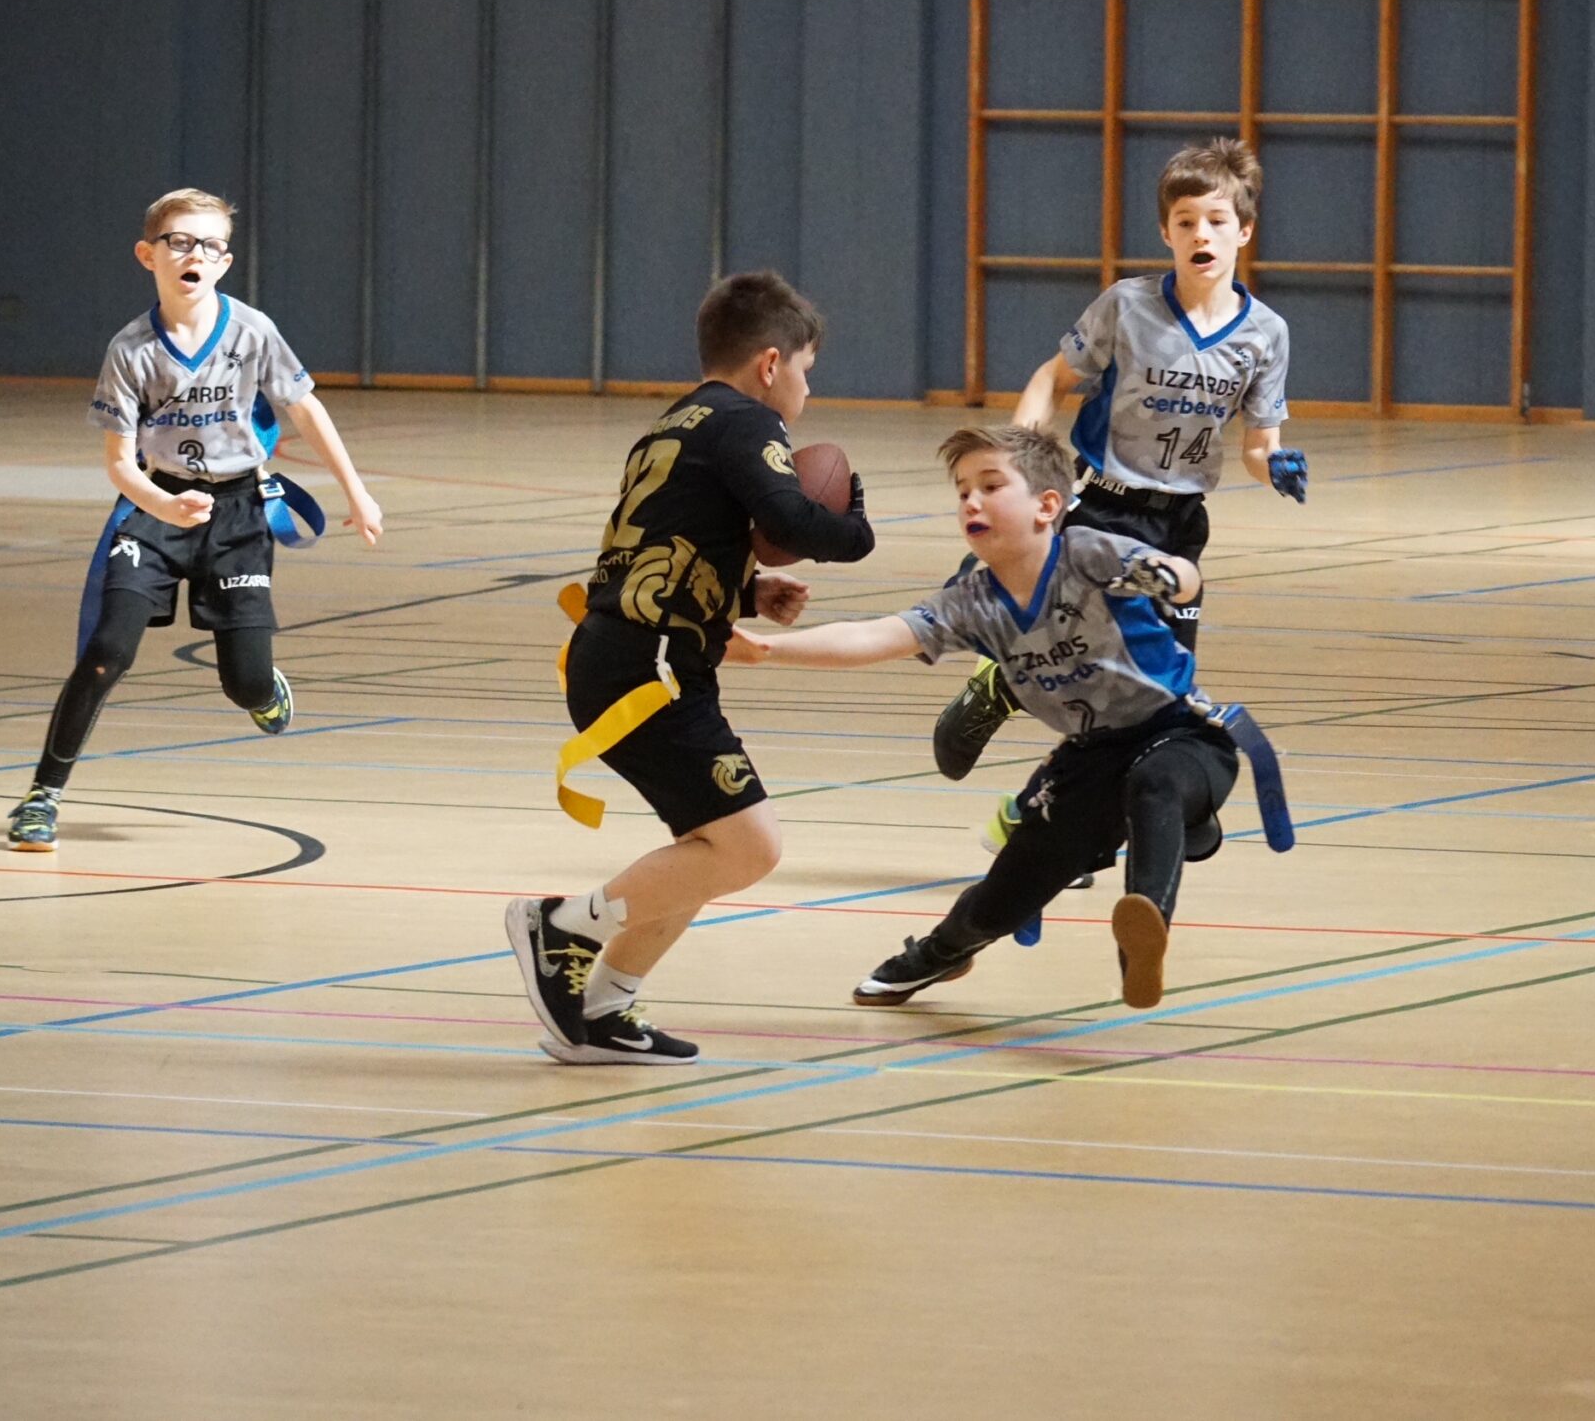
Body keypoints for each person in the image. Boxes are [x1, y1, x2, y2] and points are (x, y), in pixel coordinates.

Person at [729, 425, 1255, 1011]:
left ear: (1047, 506)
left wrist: (1176, 575)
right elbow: (876, 635)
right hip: (1088, 761)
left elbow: (1183, 576)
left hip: (1179, 732)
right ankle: (939, 952)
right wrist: (767, 648)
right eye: (961, 492)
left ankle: (1143, 934)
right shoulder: (969, 603)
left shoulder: (1087, 553)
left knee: (1156, 784)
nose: (971, 501)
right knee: (1004, 895)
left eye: (990, 485)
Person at [506, 271, 875, 1064]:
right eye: (807, 369)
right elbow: (790, 517)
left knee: (704, 849)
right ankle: (563, 924)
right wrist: (854, 524)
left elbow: (664, 543)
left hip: (631, 651)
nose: (807, 388)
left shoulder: (675, 422)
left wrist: (746, 588)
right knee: (751, 848)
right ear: (770, 363)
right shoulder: (750, 421)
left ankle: (605, 1008)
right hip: (651, 665)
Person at [932, 138, 1306, 888]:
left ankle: (1033, 796)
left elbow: (1259, 444)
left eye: (1216, 220)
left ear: (1244, 232)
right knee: (1111, 691)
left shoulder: (1265, 334)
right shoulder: (1127, 306)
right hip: (1103, 509)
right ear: (1166, 232)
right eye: (1185, 220)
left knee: (1155, 699)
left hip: (1180, 525)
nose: (1201, 234)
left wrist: (1276, 465)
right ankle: (1053, 799)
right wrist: (1020, 459)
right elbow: (1053, 376)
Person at [5, 188, 381, 853]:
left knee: (244, 681)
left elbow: (305, 410)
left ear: (225, 261)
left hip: (236, 513)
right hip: (154, 507)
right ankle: (42, 796)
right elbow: (120, 463)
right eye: (180, 241)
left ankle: (265, 687)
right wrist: (161, 504)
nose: (194, 254)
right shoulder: (130, 350)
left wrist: (356, 490)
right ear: (148, 254)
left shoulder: (252, 331)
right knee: (106, 651)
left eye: (209, 245)